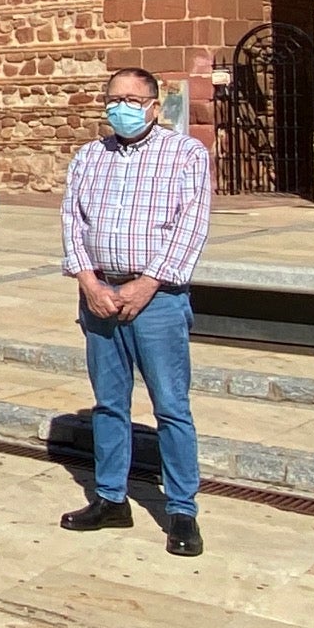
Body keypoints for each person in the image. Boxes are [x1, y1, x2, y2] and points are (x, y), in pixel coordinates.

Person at [58, 66, 213, 557]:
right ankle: (110, 497)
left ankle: (182, 509)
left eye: (131, 99)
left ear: (153, 104)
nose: (120, 107)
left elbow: (192, 224)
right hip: (100, 293)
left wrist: (148, 285)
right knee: (109, 402)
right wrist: (88, 280)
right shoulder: (90, 155)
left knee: (170, 405)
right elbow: (72, 220)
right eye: (113, 99)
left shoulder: (186, 154)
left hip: (158, 299)